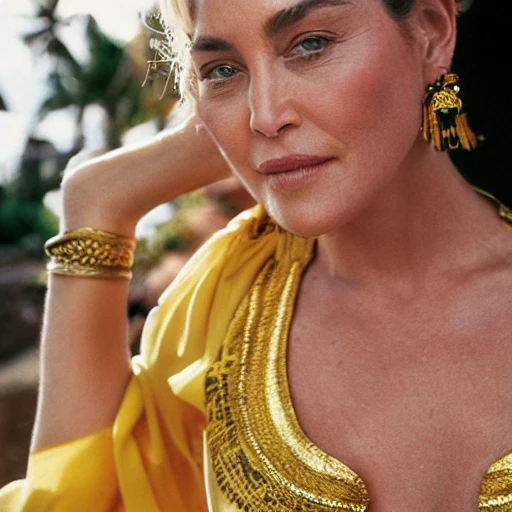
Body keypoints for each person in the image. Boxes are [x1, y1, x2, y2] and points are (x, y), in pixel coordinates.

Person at [1, 0, 512, 510]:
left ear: (430, 31)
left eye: (311, 44)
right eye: (223, 71)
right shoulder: (214, 321)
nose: (264, 116)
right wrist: (94, 200)